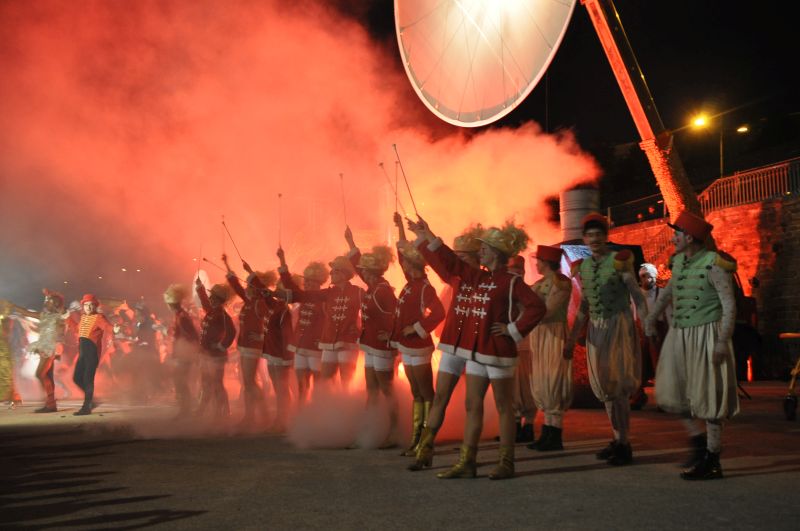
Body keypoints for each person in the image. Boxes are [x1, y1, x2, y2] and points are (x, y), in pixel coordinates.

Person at [410, 218, 546, 480]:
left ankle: (506, 463)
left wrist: (513, 330)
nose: (480, 251)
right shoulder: (480, 277)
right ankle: (467, 462)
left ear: (496, 253)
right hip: (475, 351)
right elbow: (452, 264)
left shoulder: (512, 281)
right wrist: (428, 235)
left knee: (505, 407)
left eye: (484, 248)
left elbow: (537, 307)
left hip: (498, 352)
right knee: (472, 405)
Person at [645, 210, 739, 480]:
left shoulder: (714, 264)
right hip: (680, 335)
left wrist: (722, 341)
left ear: (689, 237)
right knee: (674, 392)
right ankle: (698, 440)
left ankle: (712, 458)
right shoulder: (678, 262)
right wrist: (651, 318)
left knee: (709, 398)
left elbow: (729, 305)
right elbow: (668, 293)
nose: (673, 238)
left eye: (676, 234)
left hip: (707, 334)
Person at [564, 213, 648, 466]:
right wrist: (572, 338)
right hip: (596, 329)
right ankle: (617, 438)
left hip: (618, 326)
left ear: (605, 236)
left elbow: (637, 295)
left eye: (598, 234)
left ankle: (624, 443)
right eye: (590, 235)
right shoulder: (583, 267)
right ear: (584, 239)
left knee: (618, 387)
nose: (594, 239)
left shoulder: (619, 262)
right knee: (605, 388)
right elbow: (584, 306)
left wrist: (647, 324)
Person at [408, 224, 483, 471]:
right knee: (440, 397)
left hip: (476, 345)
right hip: (452, 343)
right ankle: (425, 449)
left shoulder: (486, 279)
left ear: (477, 258)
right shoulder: (454, 278)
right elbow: (438, 259)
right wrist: (423, 236)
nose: (458, 261)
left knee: (473, 402)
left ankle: (468, 458)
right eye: (457, 256)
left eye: (464, 257)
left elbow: (447, 258)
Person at [389, 214, 445, 455]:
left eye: (408, 265)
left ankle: (426, 438)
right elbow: (402, 253)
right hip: (407, 346)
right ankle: (415, 438)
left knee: (425, 392)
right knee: (416, 393)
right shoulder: (411, 283)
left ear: (416, 267)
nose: (404, 266)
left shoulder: (425, 287)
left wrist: (416, 328)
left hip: (419, 345)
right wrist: (400, 227)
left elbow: (439, 313)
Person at [343, 228, 399, 446]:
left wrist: (392, 334)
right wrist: (351, 242)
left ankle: (394, 430)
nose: (362, 273)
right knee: (372, 390)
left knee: (387, 389)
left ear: (373, 272)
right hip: (369, 344)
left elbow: (397, 314)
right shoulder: (373, 286)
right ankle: (368, 430)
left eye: (365, 271)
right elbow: (358, 265)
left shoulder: (384, 290)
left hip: (382, 346)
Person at [279, 250, 362, 389]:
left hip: (347, 342)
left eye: (334, 271)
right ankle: (325, 404)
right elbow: (302, 295)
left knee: (345, 385)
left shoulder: (357, 292)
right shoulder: (329, 293)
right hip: (329, 343)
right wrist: (276, 291)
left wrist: (360, 332)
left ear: (343, 274)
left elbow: (370, 312)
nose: (331, 273)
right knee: (325, 384)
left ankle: (346, 403)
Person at [526, 246, 573, 451]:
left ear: (546, 262)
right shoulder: (539, 284)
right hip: (540, 334)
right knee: (542, 381)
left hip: (553, 333)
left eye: (538, 261)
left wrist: (529, 310)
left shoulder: (561, 283)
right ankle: (547, 431)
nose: (536, 264)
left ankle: (555, 434)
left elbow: (548, 310)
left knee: (553, 380)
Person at [224, 255, 271, 426]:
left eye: (250, 287)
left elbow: (271, 323)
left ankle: (262, 414)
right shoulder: (249, 302)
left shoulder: (260, 303)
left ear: (256, 289)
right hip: (244, 346)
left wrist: (262, 337)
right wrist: (227, 265)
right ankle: (250, 415)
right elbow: (237, 287)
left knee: (250, 382)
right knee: (247, 382)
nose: (247, 288)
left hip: (253, 347)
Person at [280, 260, 328, 406]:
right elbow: (290, 285)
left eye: (309, 281)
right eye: (305, 281)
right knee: (301, 384)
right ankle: (302, 411)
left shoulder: (324, 299)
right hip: (300, 346)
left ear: (318, 283)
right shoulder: (304, 296)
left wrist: (322, 341)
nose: (306, 284)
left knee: (318, 383)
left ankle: (319, 410)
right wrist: (282, 260)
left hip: (315, 348)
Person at [19, 289, 66, 412]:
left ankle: (50, 403)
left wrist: (58, 350)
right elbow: (27, 313)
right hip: (45, 347)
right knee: (46, 375)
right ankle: (50, 404)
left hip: (49, 348)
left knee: (40, 374)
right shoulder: (45, 315)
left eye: (49, 302)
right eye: (46, 301)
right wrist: (13, 307)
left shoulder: (58, 317)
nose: (46, 303)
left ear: (54, 304)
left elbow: (61, 333)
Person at [195, 279, 236, 419]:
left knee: (217, 384)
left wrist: (221, 345)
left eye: (213, 297)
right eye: (211, 296)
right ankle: (203, 409)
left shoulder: (223, 315)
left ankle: (223, 412)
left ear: (219, 300)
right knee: (206, 383)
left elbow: (232, 332)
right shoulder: (212, 311)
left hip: (216, 356)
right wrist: (200, 288)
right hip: (206, 355)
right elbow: (205, 302)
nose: (211, 298)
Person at [506, 255, 537, 443]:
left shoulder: (529, 292)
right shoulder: (506, 291)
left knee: (526, 386)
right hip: (509, 345)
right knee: (510, 386)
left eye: (519, 268)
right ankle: (515, 424)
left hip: (524, 345)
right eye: (513, 269)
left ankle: (529, 425)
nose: (516, 272)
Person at [74, 294, 114, 415]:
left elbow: (107, 327)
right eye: (86, 305)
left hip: (91, 352)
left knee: (88, 379)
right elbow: (76, 330)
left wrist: (115, 330)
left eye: (91, 305)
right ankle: (92, 400)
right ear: (83, 306)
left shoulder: (99, 317)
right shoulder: (83, 318)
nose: (89, 307)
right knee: (76, 378)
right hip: (82, 352)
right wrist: (67, 318)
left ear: (95, 306)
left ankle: (87, 407)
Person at [163, 283, 200, 417]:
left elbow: (192, 335)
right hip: (181, 353)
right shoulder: (179, 315)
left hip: (184, 354)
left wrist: (189, 352)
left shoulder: (183, 316)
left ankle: (185, 409)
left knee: (180, 381)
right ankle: (184, 408)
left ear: (171, 304)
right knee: (179, 381)